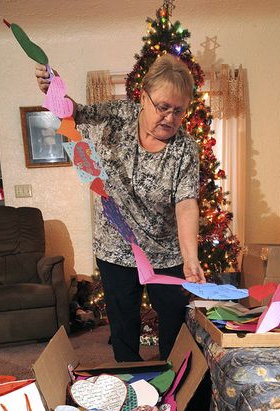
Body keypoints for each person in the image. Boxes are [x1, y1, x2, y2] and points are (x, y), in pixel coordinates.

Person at [36, 54, 205, 361]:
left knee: (174, 318)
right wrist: (54, 91)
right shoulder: (118, 115)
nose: (169, 118)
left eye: (178, 111)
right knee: (123, 321)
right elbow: (76, 113)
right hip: (115, 246)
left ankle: (172, 381)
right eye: (163, 107)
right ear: (143, 96)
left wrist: (191, 258)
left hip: (165, 251)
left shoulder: (184, 149)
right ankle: (129, 379)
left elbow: (186, 205)